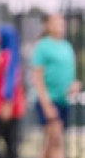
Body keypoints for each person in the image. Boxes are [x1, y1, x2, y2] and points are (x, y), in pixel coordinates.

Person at [31, 13, 81, 158]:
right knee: (57, 142)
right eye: (55, 22)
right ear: (47, 25)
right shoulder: (42, 46)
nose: (59, 26)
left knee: (50, 143)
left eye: (61, 23)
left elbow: (70, 75)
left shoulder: (67, 47)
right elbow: (37, 78)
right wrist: (46, 105)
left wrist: (74, 85)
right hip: (49, 100)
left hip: (63, 101)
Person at [0, 24, 26, 158]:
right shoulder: (8, 55)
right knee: (9, 143)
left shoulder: (8, 57)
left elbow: (10, 80)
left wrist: (7, 102)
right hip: (4, 105)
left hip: (6, 107)